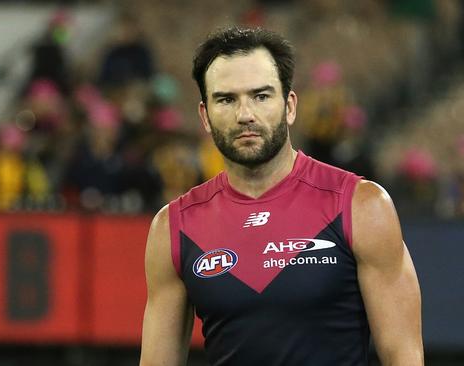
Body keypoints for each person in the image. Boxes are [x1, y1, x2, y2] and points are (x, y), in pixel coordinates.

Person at [139, 27, 423, 366]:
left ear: (289, 106)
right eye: (226, 99)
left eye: (261, 96)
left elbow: (404, 356)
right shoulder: (173, 226)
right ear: (205, 115)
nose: (245, 114)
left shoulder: (361, 206)